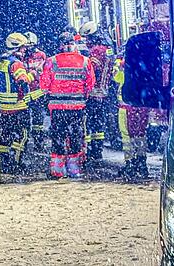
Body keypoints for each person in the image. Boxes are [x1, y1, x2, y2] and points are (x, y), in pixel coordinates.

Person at [39, 31, 95, 179]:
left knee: (58, 136)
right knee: (75, 136)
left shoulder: (51, 61)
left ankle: (57, 171)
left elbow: (44, 85)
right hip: (77, 107)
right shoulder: (85, 61)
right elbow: (90, 85)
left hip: (58, 107)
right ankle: (74, 169)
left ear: (60, 45)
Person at [0, 32, 35, 176]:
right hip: (18, 107)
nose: (25, 50)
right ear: (17, 47)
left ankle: (4, 165)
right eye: (23, 48)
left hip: (4, 107)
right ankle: (16, 163)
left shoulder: (0, 62)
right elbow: (23, 80)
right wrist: (33, 74)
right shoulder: (16, 64)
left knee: (5, 136)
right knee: (22, 136)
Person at [78, 21, 117, 165]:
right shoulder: (108, 49)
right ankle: (97, 151)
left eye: (88, 38)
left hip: (93, 92)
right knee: (98, 123)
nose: (86, 41)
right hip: (105, 92)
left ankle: (90, 151)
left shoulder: (96, 51)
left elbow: (92, 69)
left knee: (89, 122)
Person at [113, 54, 150, 179]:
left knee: (126, 136)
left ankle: (130, 163)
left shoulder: (125, 65)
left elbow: (117, 78)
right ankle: (141, 162)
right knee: (140, 134)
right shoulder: (146, 65)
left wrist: (118, 65)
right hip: (142, 106)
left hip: (126, 107)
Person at [22, 31, 48, 152]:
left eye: (30, 45)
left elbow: (44, 72)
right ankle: (24, 141)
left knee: (38, 119)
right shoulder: (22, 56)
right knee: (25, 118)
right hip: (25, 91)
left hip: (37, 91)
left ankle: (38, 142)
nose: (28, 48)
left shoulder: (41, 55)